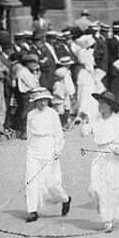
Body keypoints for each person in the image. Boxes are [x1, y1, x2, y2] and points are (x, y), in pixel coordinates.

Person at [81, 90, 119, 233]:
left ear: (110, 105)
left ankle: (108, 220)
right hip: (99, 157)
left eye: (103, 103)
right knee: (94, 189)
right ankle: (106, 213)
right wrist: (85, 121)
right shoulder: (95, 119)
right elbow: (84, 133)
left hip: (114, 156)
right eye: (99, 103)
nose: (100, 106)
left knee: (111, 190)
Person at [24, 88, 71, 223]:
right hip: (34, 149)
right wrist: (29, 151)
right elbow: (29, 135)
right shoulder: (31, 115)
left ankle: (65, 199)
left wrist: (58, 150)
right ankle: (32, 211)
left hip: (49, 147)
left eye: (45, 100)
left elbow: (58, 133)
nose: (42, 103)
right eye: (39, 101)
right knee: (31, 180)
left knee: (51, 182)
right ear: (35, 102)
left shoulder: (52, 114)